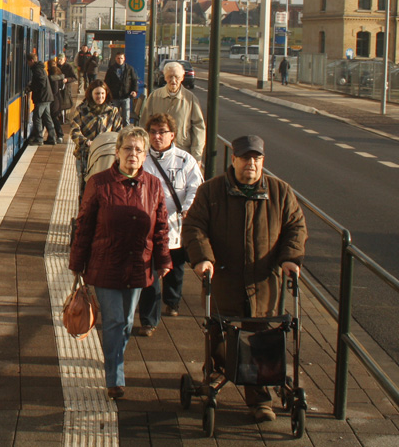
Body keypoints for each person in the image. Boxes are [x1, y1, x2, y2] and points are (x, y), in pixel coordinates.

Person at [182, 134, 307, 423]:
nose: (251, 163)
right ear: (234, 159)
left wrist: (290, 257)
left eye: (257, 158)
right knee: (219, 332)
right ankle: (215, 377)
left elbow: (295, 227)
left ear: (263, 161)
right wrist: (202, 258)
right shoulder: (211, 192)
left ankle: (260, 399)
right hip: (224, 280)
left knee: (261, 338)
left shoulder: (280, 192)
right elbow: (194, 226)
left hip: (264, 283)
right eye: (245, 158)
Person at [68, 126, 172, 400]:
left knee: (126, 321)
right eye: (128, 148)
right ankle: (115, 376)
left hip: (139, 264)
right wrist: (77, 262)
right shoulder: (99, 183)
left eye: (139, 150)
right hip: (106, 264)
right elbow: (85, 225)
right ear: (117, 152)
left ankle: (114, 359)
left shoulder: (153, 185)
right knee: (114, 320)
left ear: (145, 154)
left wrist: (163, 259)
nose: (133, 155)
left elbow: (161, 226)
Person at [135, 113, 203, 336]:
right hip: (150, 228)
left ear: (172, 135)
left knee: (175, 268)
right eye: (152, 132)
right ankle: (148, 320)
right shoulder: (142, 159)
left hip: (176, 225)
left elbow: (196, 187)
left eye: (162, 132)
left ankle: (172, 301)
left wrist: (187, 208)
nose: (157, 136)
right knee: (151, 273)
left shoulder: (185, 160)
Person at [139, 60, 205, 163]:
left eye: (177, 77)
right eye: (170, 76)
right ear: (165, 77)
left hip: (182, 151)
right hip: (157, 151)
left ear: (182, 78)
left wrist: (196, 155)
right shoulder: (155, 96)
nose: (173, 80)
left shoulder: (190, 99)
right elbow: (144, 124)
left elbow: (199, 128)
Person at [69, 79, 125, 187]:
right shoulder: (81, 110)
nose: (100, 96)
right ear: (91, 94)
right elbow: (74, 131)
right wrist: (86, 142)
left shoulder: (112, 111)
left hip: (106, 155)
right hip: (85, 154)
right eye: (97, 93)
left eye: (103, 93)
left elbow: (119, 132)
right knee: (85, 186)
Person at [27, 53, 56, 145]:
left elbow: (41, 83)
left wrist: (31, 87)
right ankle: (52, 137)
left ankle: (39, 138)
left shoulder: (37, 70)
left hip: (42, 98)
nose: (28, 65)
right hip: (46, 97)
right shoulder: (40, 68)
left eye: (28, 62)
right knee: (47, 117)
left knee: (37, 117)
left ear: (32, 61)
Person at [104, 52, 138, 125]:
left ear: (124, 59)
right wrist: (107, 94)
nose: (120, 60)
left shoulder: (129, 69)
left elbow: (134, 80)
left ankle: (126, 133)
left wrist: (134, 91)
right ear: (115, 59)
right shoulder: (111, 69)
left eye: (121, 58)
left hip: (125, 96)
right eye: (118, 58)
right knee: (113, 117)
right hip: (114, 97)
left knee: (126, 117)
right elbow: (106, 83)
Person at [46, 58, 65, 142]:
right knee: (54, 117)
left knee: (53, 118)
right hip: (58, 99)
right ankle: (57, 135)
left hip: (53, 101)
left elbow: (53, 91)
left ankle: (59, 135)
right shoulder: (59, 76)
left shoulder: (52, 78)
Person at [57, 53, 78, 118]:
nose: (59, 61)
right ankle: (60, 116)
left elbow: (75, 77)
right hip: (58, 87)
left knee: (66, 102)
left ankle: (65, 117)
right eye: (58, 59)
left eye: (61, 59)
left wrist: (67, 80)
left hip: (66, 87)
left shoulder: (69, 67)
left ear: (64, 59)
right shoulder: (56, 66)